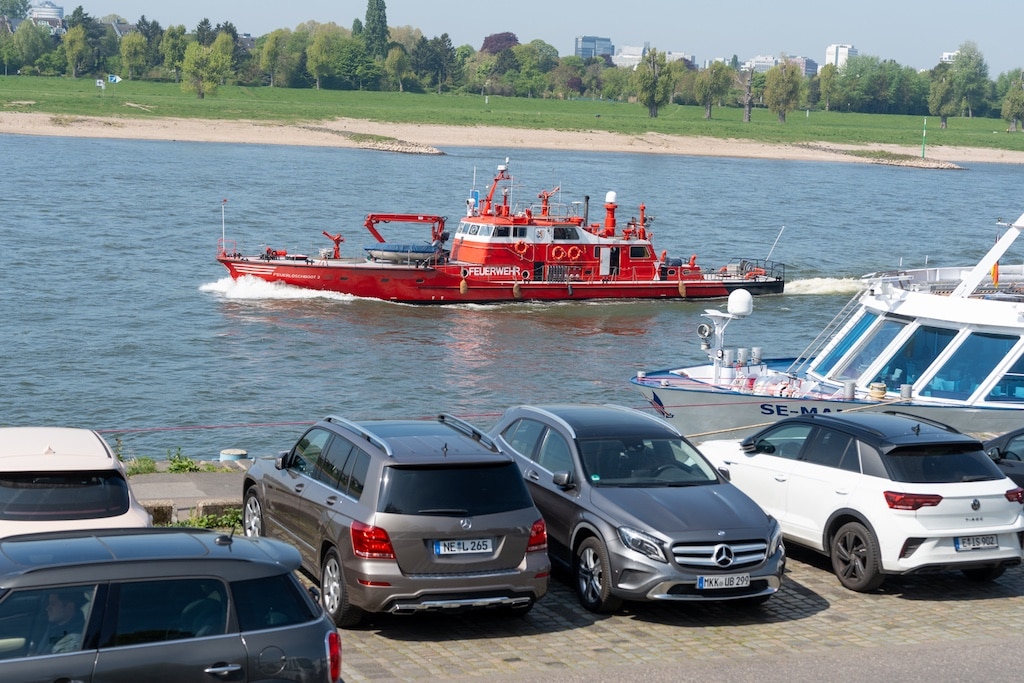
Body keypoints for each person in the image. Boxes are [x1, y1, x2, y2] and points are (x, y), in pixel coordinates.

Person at [34, 589, 86, 655]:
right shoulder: (54, 628)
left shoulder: (72, 641)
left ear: (69, 607)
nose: (47, 608)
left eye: (53, 604)